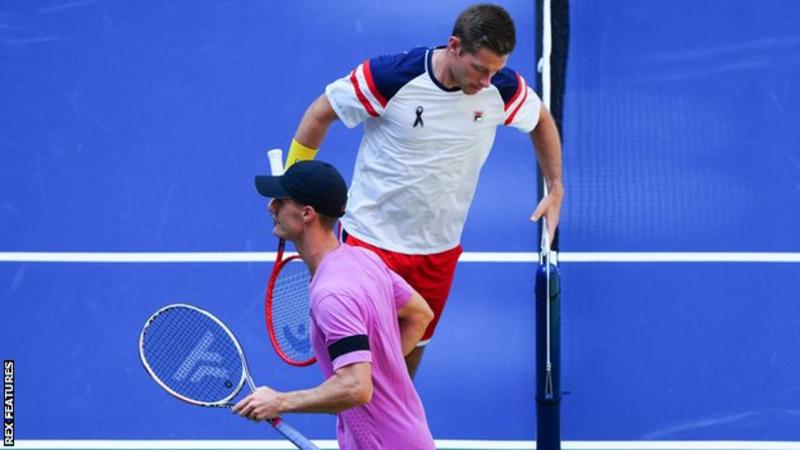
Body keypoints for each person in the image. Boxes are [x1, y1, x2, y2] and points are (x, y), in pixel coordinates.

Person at [283, 3, 564, 378]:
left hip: (438, 250)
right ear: (454, 46)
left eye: (495, 71)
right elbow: (321, 113)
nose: (486, 82)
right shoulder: (390, 77)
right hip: (371, 243)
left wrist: (556, 186)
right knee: (357, 372)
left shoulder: (501, 88)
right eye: (480, 69)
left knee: (408, 359)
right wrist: (292, 184)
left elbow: (540, 119)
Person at [234, 160, 436, 450]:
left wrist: (280, 401)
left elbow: (355, 387)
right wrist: (377, 372)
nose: (271, 208)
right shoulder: (364, 260)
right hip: (408, 435)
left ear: (307, 213)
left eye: (280, 200)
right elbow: (419, 314)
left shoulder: (332, 295)